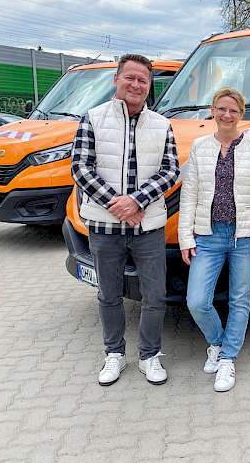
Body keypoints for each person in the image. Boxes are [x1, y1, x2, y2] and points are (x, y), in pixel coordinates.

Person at [71, 54, 180, 386]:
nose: (136, 84)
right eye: (129, 77)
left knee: (155, 295)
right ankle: (114, 353)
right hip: (104, 227)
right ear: (116, 79)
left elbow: (171, 170)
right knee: (109, 294)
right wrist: (115, 203)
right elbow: (80, 168)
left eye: (142, 80)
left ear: (149, 85)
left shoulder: (162, 124)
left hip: (148, 227)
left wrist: (137, 200)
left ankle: (149, 355)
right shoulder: (92, 118)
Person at [179, 87, 250, 392]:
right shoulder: (200, 146)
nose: (227, 115)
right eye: (221, 108)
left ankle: (228, 358)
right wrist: (185, 237)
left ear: (241, 114)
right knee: (197, 301)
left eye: (233, 110)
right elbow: (189, 194)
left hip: (244, 236)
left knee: (239, 299)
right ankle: (217, 343)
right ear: (213, 111)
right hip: (208, 235)